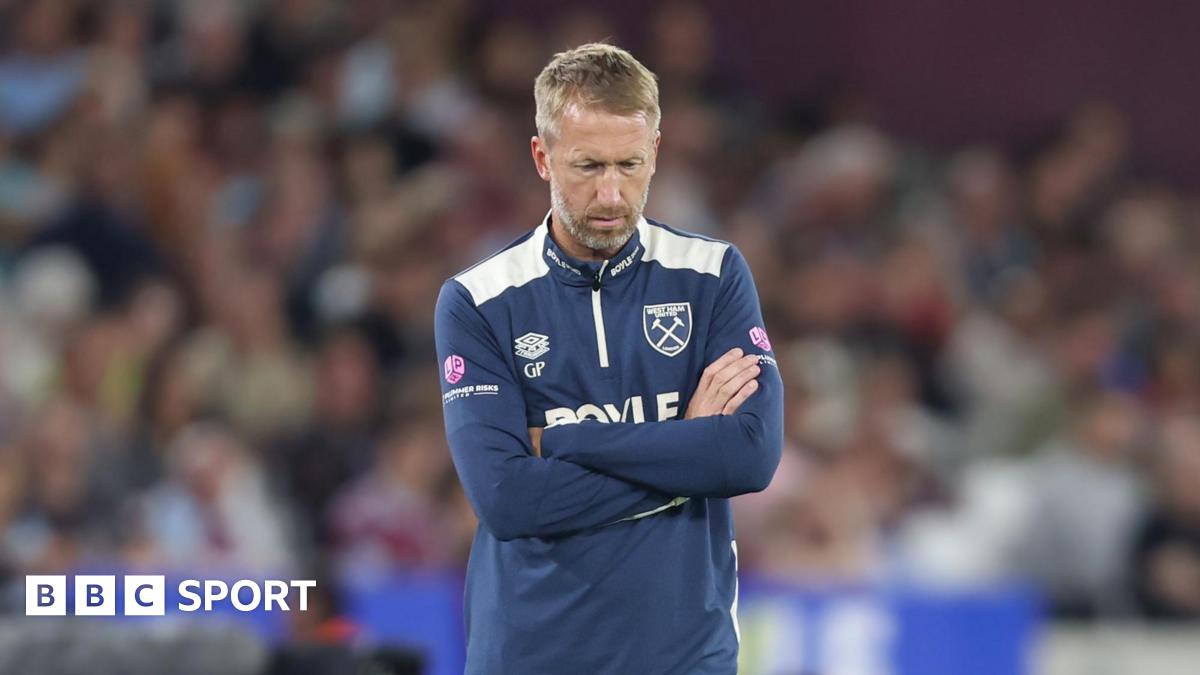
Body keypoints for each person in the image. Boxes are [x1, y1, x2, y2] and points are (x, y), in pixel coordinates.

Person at [434, 43, 783, 674]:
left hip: (685, 659)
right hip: (531, 657)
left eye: (630, 164)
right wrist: (686, 448)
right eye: (588, 166)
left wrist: (565, 442)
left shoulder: (713, 275)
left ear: (656, 151)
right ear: (542, 157)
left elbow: (749, 455)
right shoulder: (477, 300)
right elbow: (509, 500)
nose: (612, 193)